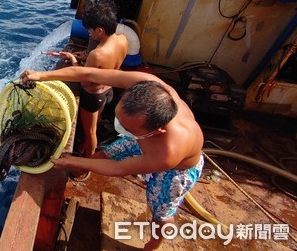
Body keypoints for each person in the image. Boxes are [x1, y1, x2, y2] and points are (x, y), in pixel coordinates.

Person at [19, 67, 204, 250]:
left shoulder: (167, 153)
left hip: (174, 172)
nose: (119, 127)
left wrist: (71, 161)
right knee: (103, 155)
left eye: (127, 129)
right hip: (141, 140)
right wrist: (42, 75)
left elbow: (119, 168)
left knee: (161, 212)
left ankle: (153, 245)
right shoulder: (149, 86)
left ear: (157, 131)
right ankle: (85, 168)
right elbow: (88, 73)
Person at [53, 0, 128, 168]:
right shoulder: (122, 40)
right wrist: (85, 57)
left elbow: (84, 80)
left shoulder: (97, 54)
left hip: (93, 95)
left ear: (100, 30)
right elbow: (106, 65)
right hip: (108, 91)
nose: (89, 33)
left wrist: (72, 59)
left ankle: (87, 163)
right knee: (94, 124)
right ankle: (85, 148)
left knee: (91, 132)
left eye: (90, 30)